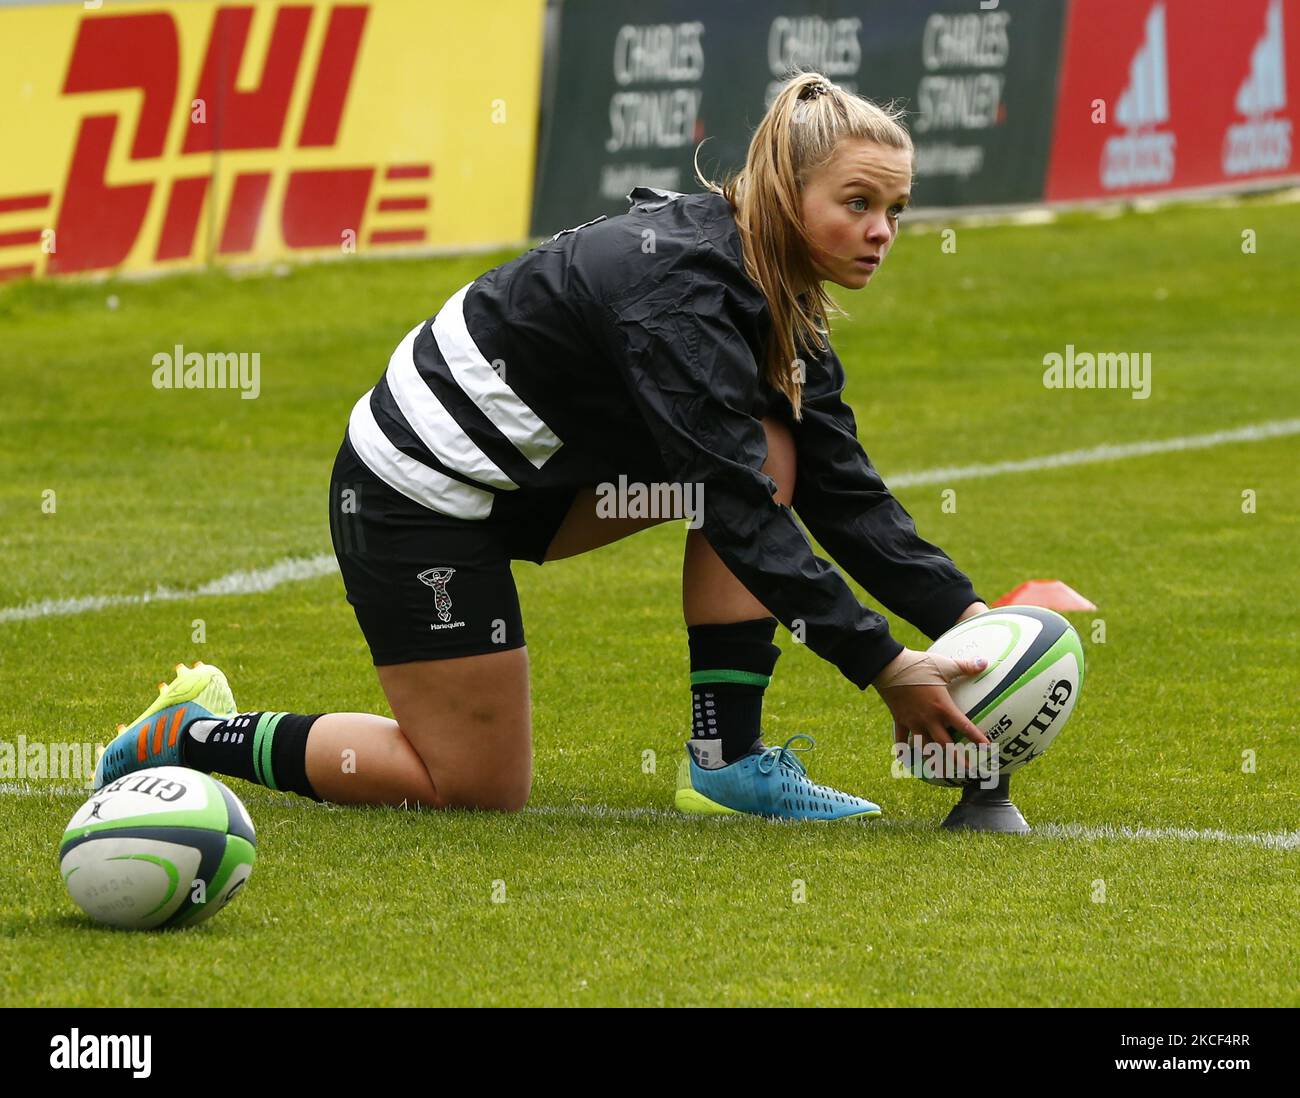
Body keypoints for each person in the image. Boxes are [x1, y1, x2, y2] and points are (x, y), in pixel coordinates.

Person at [94, 72, 990, 821]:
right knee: (473, 789)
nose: (882, 231)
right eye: (858, 203)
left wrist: (962, 612)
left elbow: (841, 484)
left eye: (896, 209)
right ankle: (191, 733)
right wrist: (886, 666)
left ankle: (727, 761)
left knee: (776, 446)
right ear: (782, 195)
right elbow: (729, 502)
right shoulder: (680, 292)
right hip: (417, 497)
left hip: (534, 484)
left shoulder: (779, 290)